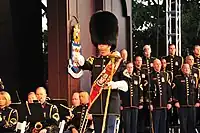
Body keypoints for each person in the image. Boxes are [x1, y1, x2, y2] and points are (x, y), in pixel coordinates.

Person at [76, 11, 128, 133]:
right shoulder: (94, 60)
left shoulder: (118, 62)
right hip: (97, 106)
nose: (101, 47)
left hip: (111, 105)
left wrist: (115, 84)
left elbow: (126, 85)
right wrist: (79, 59)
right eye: (99, 44)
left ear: (110, 44)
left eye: (103, 44)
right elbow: (86, 65)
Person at [173, 64, 200, 133]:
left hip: (192, 104)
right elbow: (175, 91)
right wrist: (176, 101)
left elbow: (197, 91)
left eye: (188, 68)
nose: (186, 69)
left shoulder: (193, 78)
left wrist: (198, 101)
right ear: (182, 69)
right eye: (185, 68)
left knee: (192, 124)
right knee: (183, 125)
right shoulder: (178, 78)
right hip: (182, 105)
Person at [148, 59, 172, 133]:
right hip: (155, 104)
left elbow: (168, 89)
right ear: (153, 65)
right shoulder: (150, 75)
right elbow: (147, 91)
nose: (158, 65)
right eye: (156, 64)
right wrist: (150, 103)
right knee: (155, 125)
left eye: (159, 64)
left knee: (163, 125)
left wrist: (169, 102)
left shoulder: (165, 75)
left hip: (164, 104)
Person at [120, 62, 143, 133]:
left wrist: (141, 102)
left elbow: (140, 91)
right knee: (127, 125)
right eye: (128, 67)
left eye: (131, 67)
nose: (130, 69)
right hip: (126, 104)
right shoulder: (123, 78)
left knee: (134, 125)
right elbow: (120, 92)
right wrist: (120, 104)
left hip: (135, 104)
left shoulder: (137, 78)